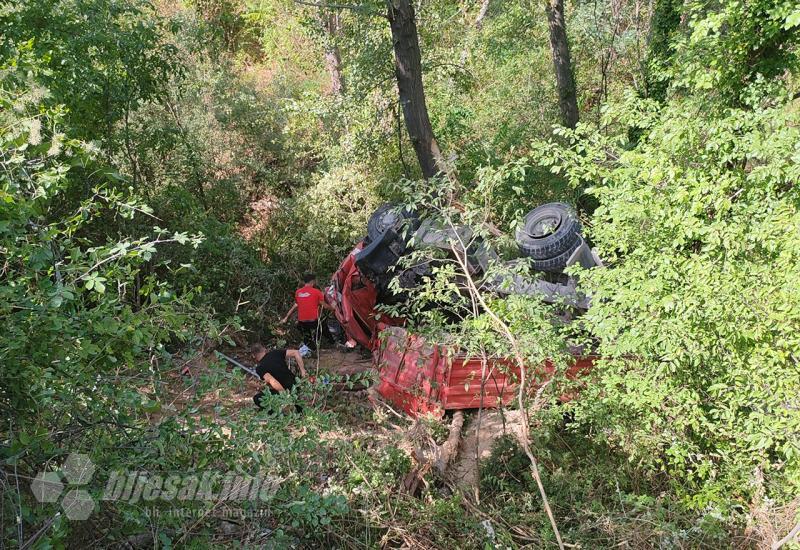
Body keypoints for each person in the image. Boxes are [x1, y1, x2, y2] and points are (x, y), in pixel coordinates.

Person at [281, 272, 333, 351]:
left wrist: (286, 317)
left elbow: (295, 306)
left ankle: (312, 348)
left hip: (302, 322)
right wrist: (334, 308)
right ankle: (332, 342)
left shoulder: (298, 292)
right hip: (313, 321)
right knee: (322, 325)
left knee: (305, 333)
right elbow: (325, 306)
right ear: (313, 281)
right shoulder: (317, 292)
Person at [251, 343, 308, 410]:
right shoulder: (276, 353)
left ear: (253, 355)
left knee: (257, 398)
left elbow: (273, 381)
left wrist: (286, 396)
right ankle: (297, 406)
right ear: (264, 349)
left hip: (286, 391)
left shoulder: (260, 368)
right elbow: (296, 352)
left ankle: (276, 413)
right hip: (295, 385)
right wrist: (303, 371)